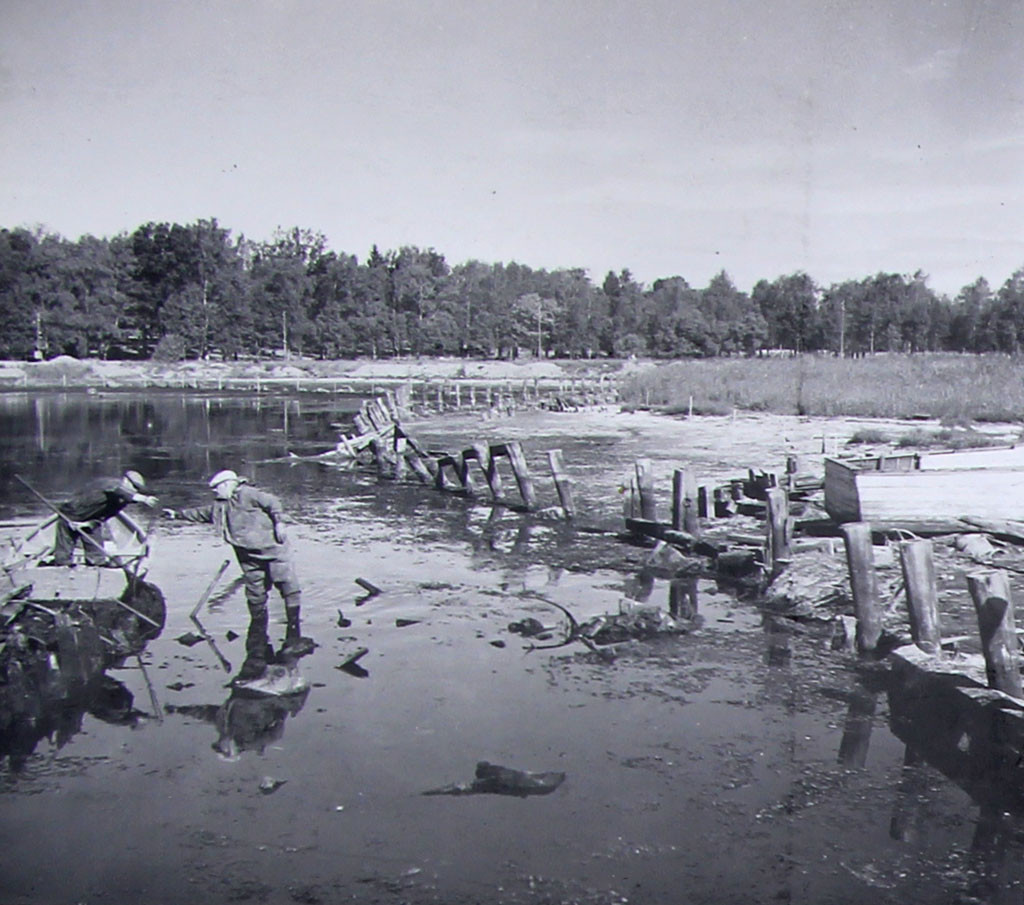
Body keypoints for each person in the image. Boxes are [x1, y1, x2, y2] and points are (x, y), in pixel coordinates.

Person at [164, 469, 311, 658]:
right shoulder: (221, 505)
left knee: (287, 586)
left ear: (227, 485)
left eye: (216, 489)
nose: (215, 493)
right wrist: (176, 515)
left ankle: (293, 630)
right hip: (247, 555)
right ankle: (258, 633)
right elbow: (202, 513)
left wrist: (279, 523)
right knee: (255, 592)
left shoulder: (248, 494)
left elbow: (273, 502)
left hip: (273, 550)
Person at [49, 470, 158, 566]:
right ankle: (61, 568)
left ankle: (95, 571)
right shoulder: (111, 483)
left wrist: (86, 524)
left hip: (90, 519)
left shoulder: (122, 502)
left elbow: (103, 517)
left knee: (97, 557)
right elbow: (120, 491)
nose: (134, 490)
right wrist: (144, 499)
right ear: (126, 480)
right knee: (62, 557)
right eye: (134, 487)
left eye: (137, 489)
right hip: (70, 514)